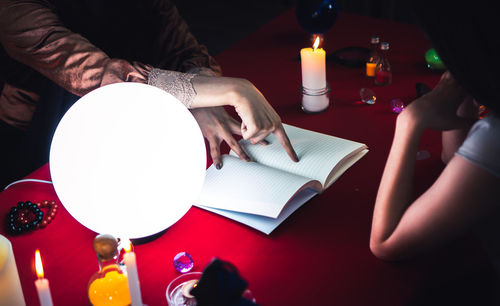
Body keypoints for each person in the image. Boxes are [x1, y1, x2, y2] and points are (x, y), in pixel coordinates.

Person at [0, 0, 298, 188]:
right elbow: (101, 75)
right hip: (50, 140)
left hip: (146, 120)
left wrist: (202, 93)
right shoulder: (15, 8)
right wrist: (234, 89)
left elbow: (183, 48)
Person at [369, 0, 500, 295]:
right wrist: (467, 85)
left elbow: (386, 242)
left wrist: (410, 122)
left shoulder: (495, 139)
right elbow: (454, 158)